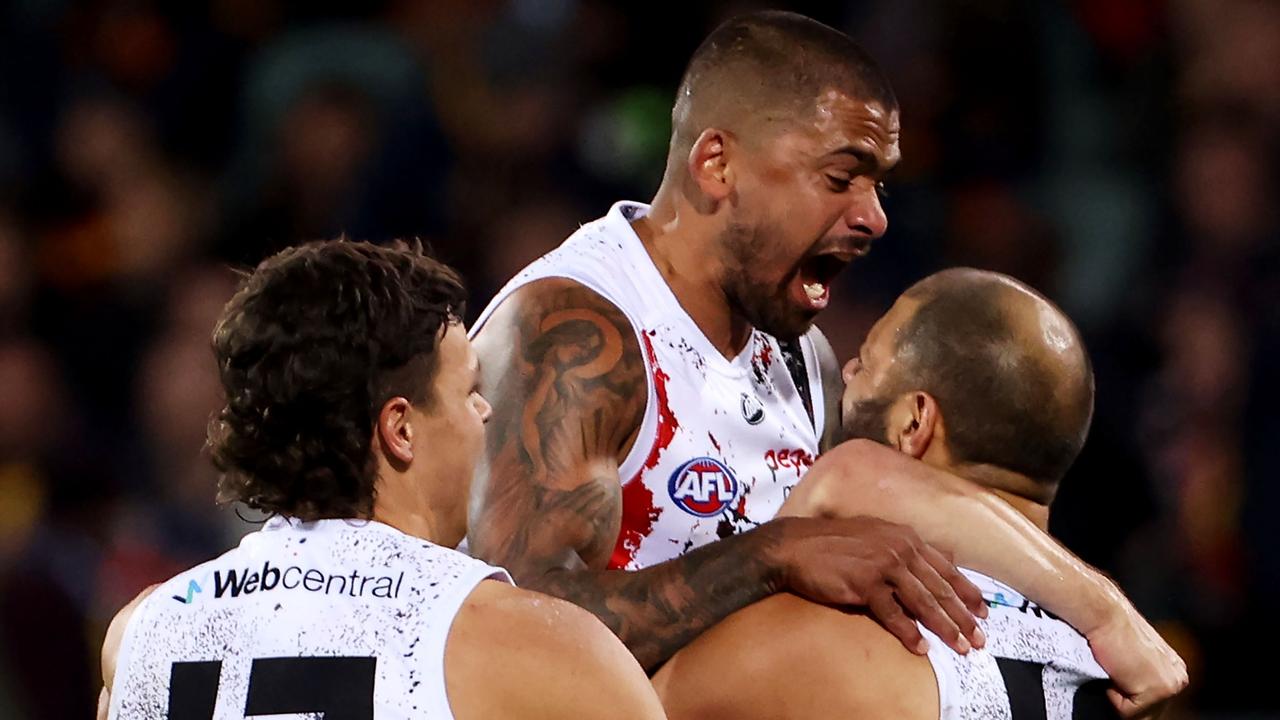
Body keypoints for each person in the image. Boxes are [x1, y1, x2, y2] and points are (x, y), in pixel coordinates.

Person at [467, 9, 1184, 713]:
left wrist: (1101, 612)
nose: (875, 217)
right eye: (842, 178)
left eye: (880, 183)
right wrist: (769, 556)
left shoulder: (801, 354)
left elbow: (876, 492)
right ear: (717, 164)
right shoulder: (577, 331)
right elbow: (517, 629)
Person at [97, 241, 666, 720]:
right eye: (470, 391)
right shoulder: (531, 645)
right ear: (400, 428)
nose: (487, 413)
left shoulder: (139, 638)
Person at [652, 269, 1154, 719]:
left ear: (914, 422)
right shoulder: (1120, 674)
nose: (846, 372)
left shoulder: (822, 640)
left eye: (867, 364)